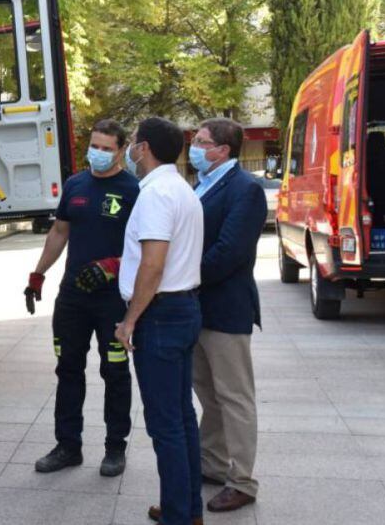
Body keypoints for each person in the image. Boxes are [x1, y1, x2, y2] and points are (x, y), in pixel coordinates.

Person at [25, 119, 139, 476]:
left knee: (115, 372)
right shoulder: (76, 184)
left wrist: (114, 265)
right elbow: (60, 232)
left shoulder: (134, 189)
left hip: (113, 300)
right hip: (73, 297)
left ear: (122, 150)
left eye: (107, 148)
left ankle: (115, 448)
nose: (99, 153)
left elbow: (145, 246)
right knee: (68, 369)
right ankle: (68, 447)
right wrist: (38, 274)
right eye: (95, 146)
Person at [114, 117, 204, 525]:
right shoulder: (182, 189)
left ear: (144, 147)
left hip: (160, 315)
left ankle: (178, 517)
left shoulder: (154, 195)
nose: (130, 149)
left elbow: (152, 264)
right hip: (182, 309)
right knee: (182, 418)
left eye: (132, 142)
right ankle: (186, 509)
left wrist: (130, 319)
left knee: (165, 425)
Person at [188, 118, 266, 513]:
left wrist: (187, 277)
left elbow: (230, 251)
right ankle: (214, 464)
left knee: (235, 397)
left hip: (226, 307)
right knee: (209, 394)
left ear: (223, 149)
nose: (195, 148)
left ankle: (243, 481)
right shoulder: (202, 184)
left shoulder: (245, 189)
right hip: (197, 308)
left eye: (202, 142)